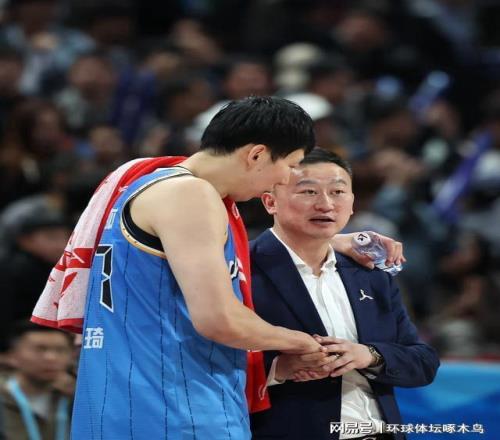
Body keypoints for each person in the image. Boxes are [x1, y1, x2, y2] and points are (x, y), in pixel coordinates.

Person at [33, 96, 327, 439]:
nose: (285, 179)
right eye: (291, 165)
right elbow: (219, 319)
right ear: (257, 154)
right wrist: (302, 342)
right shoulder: (190, 195)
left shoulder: (147, 185)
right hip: (175, 411)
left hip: (121, 403)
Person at [250, 148, 440, 440]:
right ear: (270, 201)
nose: (326, 204)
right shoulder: (242, 267)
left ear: (352, 203)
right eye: (308, 191)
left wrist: (370, 355)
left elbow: (423, 361)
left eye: (338, 192)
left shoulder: (371, 273)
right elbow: (204, 362)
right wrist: (278, 369)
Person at [0, 321, 74, 440]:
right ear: (12, 356)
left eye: (60, 350)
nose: (51, 358)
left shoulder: (77, 399)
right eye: (40, 349)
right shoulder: (3, 397)